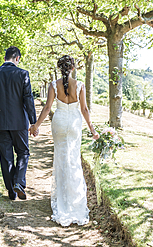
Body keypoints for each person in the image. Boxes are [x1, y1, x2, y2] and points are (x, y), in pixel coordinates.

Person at [29, 55, 99, 226]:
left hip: (59, 123)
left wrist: (36, 126)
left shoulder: (54, 85)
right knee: (73, 160)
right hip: (74, 124)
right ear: (73, 68)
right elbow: (84, 109)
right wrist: (93, 129)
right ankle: (74, 200)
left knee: (61, 159)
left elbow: (47, 108)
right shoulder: (80, 85)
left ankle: (62, 200)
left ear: (60, 68)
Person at [0, 46, 37, 201]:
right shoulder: (22, 74)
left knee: (6, 156)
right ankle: (19, 182)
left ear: (5, 57)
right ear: (17, 58)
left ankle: (11, 191)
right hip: (19, 122)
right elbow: (28, 99)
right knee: (23, 152)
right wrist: (33, 122)